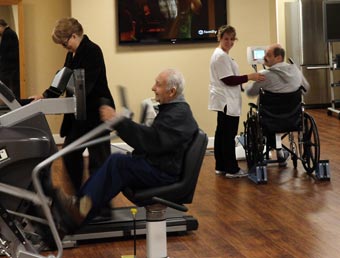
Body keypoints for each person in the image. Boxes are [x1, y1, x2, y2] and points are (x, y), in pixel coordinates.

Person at [52, 68, 199, 232]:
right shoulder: (175, 111)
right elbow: (154, 139)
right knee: (118, 161)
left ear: (171, 91)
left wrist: (118, 121)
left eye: (158, 84)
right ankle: (80, 206)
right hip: (160, 166)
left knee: (118, 163)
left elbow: (151, 141)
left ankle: (81, 210)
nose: (153, 88)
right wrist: (123, 124)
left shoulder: (178, 114)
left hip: (164, 174)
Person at [31, 18, 115, 195]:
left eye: (64, 43)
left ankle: (101, 205)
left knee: (98, 161)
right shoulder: (71, 54)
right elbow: (62, 81)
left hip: (97, 113)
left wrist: (64, 84)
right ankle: (81, 196)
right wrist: (45, 96)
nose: (64, 47)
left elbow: (85, 85)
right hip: (78, 114)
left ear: (74, 36)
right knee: (70, 155)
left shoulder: (93, 51)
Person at [208, 25, 265, 178]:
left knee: (221, 133)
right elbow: (229, 79)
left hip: (224, 99)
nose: (229, 42)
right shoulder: (220, 56)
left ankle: (221, 166)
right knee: (227, 135)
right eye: (226, 39)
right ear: (220, 38)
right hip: (226, 100)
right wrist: (250, 76)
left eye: (232, 39)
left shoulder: (222, 55)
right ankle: (232, 169)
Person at [245, 43, 310, 166]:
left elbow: (250, 92)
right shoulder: (296, 71)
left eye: (268, 55)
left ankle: (278, 150)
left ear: (278, 58)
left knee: (263, 116)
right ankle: (280, 151)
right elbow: (306, 88)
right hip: (293, 118)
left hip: (270, 119)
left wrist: (246, 85)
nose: (264, 57)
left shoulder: (264, 74)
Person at [0, 19, 20, 99]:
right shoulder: (10, 33)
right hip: (11, 66)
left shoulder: (7, 34)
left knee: (5, 88)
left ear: (1, 26)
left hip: (9, 67)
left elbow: (3, 51)